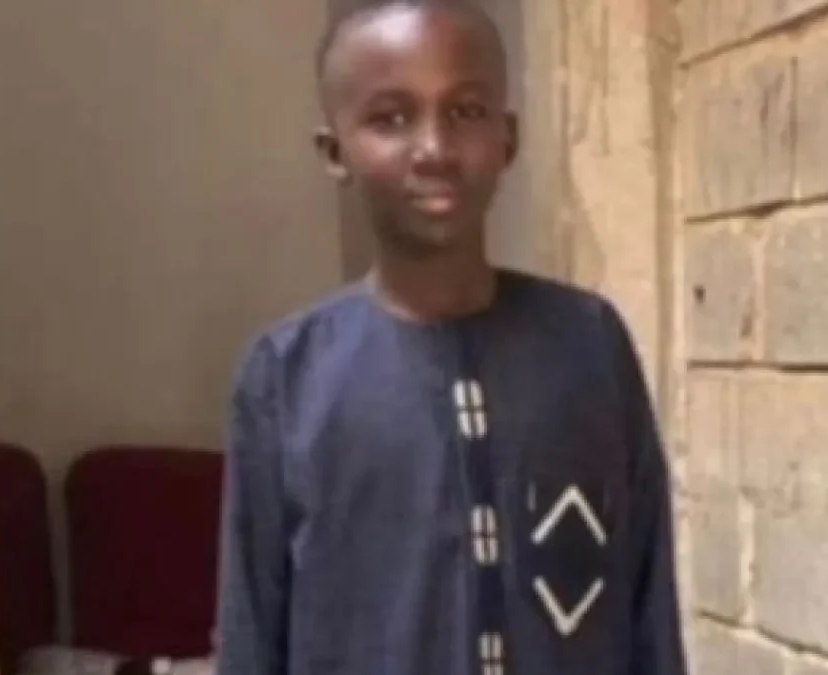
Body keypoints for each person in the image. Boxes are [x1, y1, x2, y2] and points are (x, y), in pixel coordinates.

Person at [215, 1, 687, 674]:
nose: (434, 149)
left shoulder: (589, 346)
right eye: (390, 118)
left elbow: (649, 607)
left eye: (465, 111)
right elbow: (251, 634)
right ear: (335, 152)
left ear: (507, 137)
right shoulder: (286, 377)